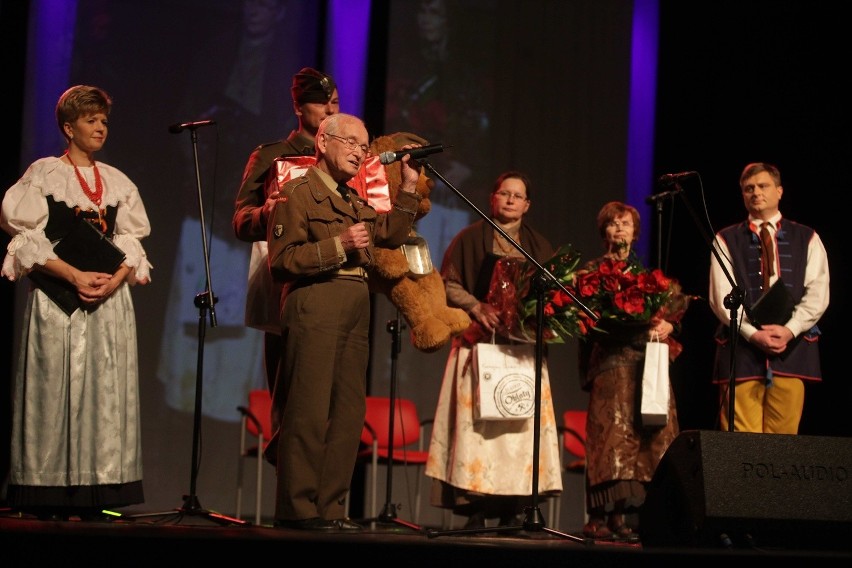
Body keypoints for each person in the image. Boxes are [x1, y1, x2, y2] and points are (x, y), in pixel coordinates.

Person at [0, 85, 152, 520]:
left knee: (105, 391)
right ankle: (48, 492)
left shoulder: (119, 182)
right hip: (59, 299)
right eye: (91, 120)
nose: (101, 127)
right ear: (69, 127)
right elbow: (26, 237)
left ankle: (99, 490)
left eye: (104, 120)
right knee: (55, 386)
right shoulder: (45, 174)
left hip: (108, 302)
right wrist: (75, 275)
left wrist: (113, 280)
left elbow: (132, 243)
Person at [266, 113, 423, 531]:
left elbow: (388, 233)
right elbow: (281, 261)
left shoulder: (353, 199)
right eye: (351, 143)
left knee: (349, 414)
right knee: (308, 411)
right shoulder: (296, 193)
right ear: (322, 142)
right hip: (316, 300)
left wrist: (407, 187)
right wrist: (339, 245)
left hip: (355, 304)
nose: (360, 152)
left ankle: (331, 508)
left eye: (364, 145)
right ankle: (298, 510)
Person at [425, 171, 562, 529]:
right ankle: (476, 507)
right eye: (505, 193)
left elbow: (555, 297)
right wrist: (475, 306)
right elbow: (448, 285)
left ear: (527, 205)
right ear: (492, 198)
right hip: (479, 345)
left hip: (521, 353)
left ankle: (514, 507)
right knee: (479, 432)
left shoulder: (539, 247)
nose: (511, 200)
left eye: (518, 196)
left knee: (517, 435)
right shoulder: (470, 239)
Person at [578, 201, 682, 540]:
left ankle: (631, 516)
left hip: (644, 366)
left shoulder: (649, 277)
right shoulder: (589, 274)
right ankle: (600, 514)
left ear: (635, 233)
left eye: (625, 223)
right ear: (603, 231)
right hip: (610, 364)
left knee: (644, 441)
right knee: (609, 439)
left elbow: (671, 310)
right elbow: (586, 322)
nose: (619, 228)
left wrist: (668, 323)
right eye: (612, 223)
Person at [233, 67, 339, 397]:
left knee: (329, 396)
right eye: (321, 103)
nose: (330, 111)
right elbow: (240, 220)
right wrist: (266, 213)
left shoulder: (347, 159)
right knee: (287, 393)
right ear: (298, 108)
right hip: (286, 283)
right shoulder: (270, 155)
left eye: (335, 102)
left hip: (335, 282)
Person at [708, 162, 829, 434]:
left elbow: (818, 292)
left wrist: (790, 329)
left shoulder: (807, 237)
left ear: (779, 191)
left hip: (792, 350)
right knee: (741, 442)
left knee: (783, 443)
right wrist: (753, 334)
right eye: (748, 188)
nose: (756, 193)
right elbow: (720, 297)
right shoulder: (726, 239)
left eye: (763, 186)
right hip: (741, 351)